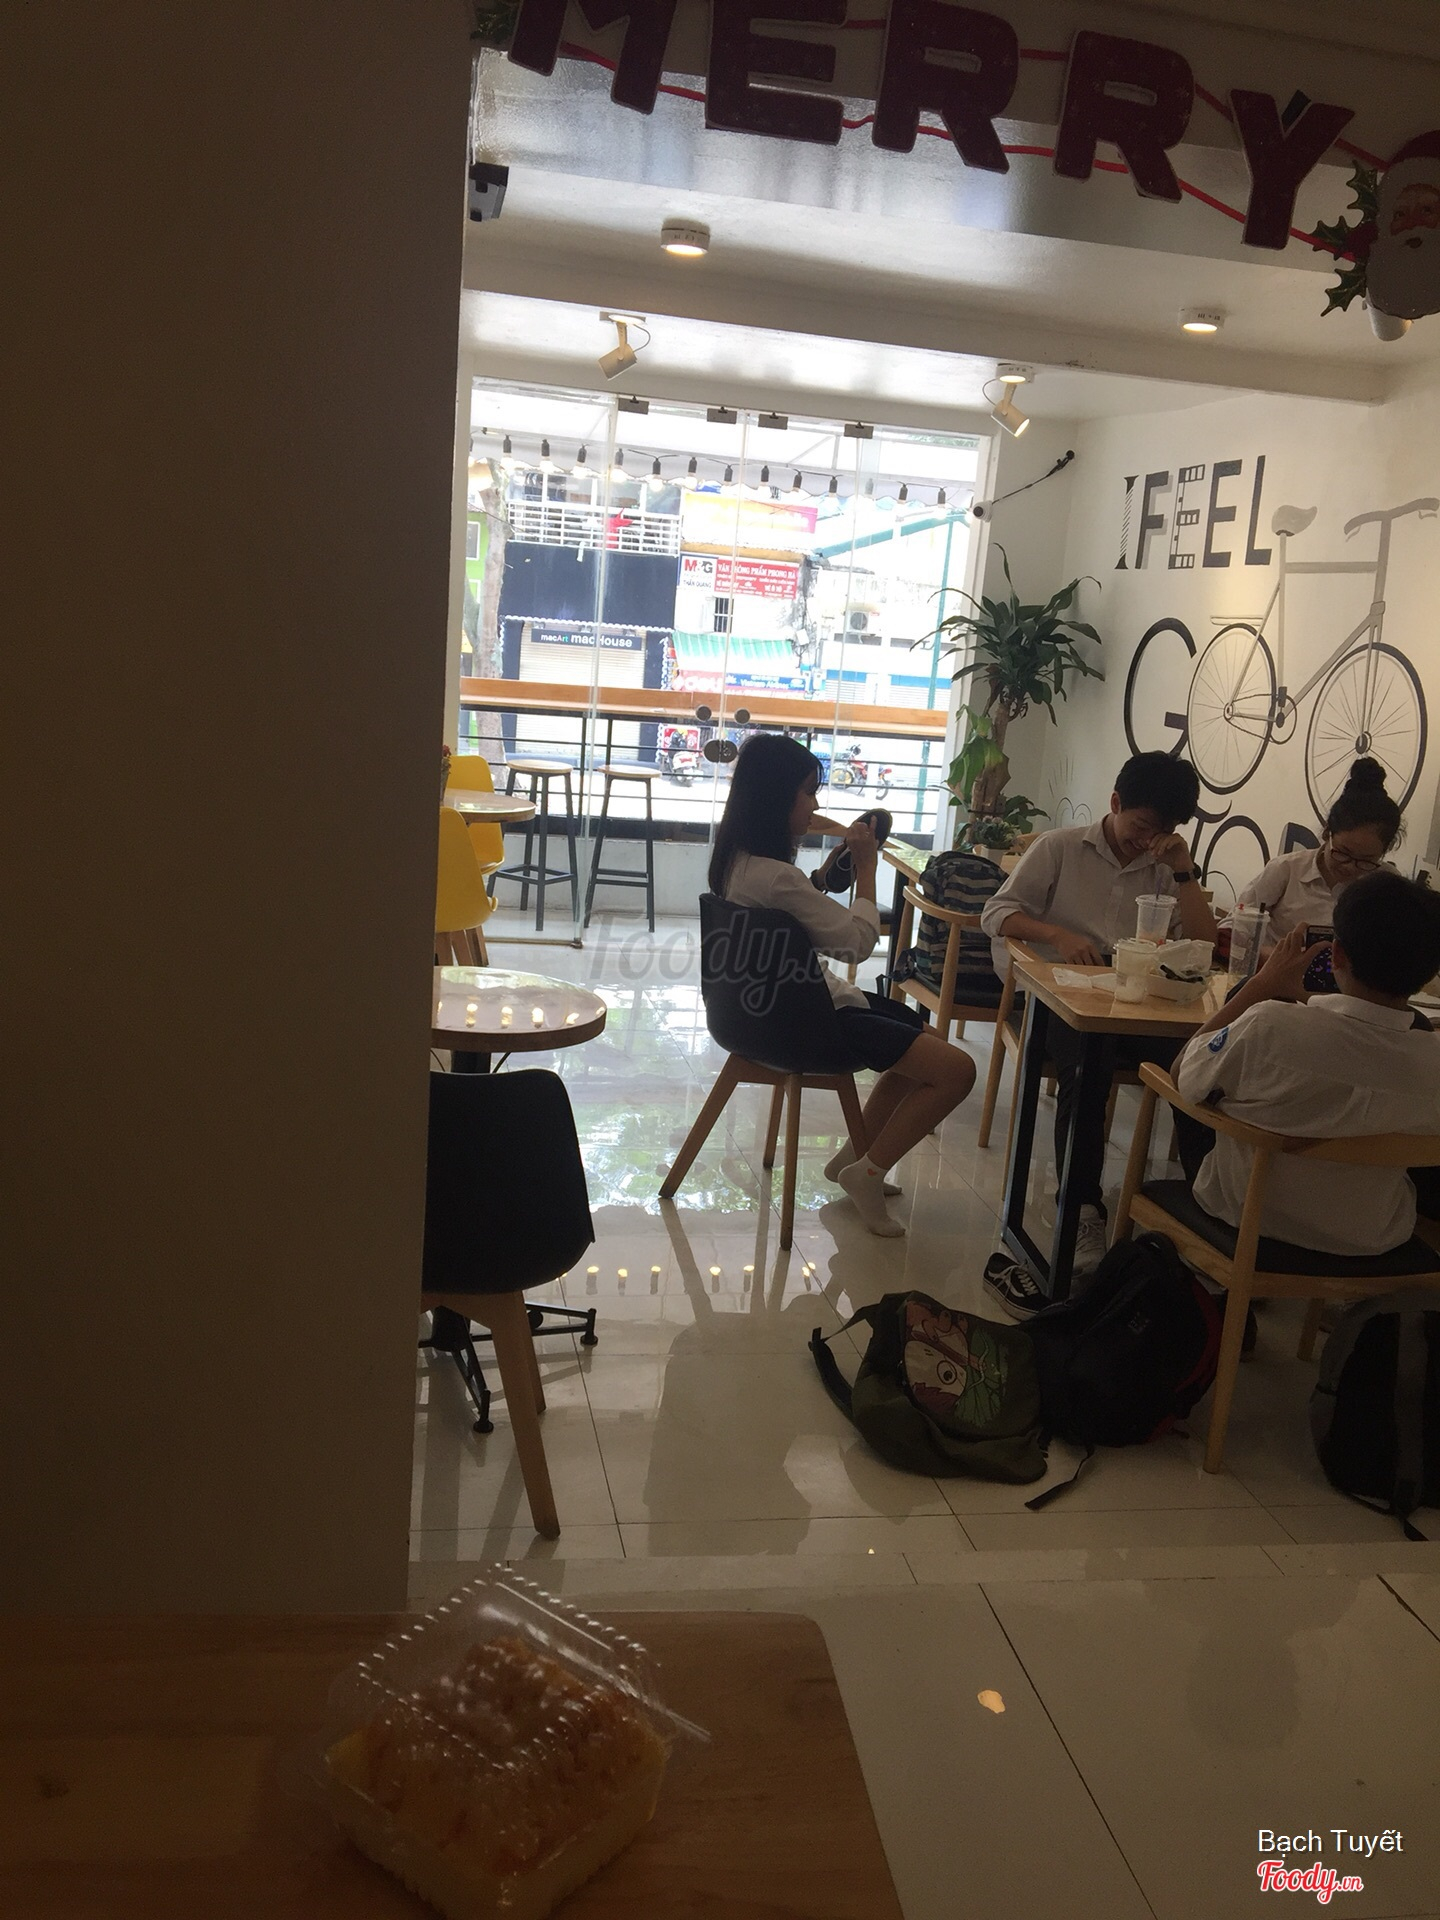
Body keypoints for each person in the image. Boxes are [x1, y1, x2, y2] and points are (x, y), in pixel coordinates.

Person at [709, 733, 976, 1237]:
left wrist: (821, 879)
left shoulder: (734, 863)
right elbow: (856, 945)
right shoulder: (778, 877)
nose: (815, 805)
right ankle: (866, 1174)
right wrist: (868, 868)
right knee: (956, 1070)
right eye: (809, 792)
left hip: (755, 1014)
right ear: (777, 796)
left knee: (927, 1043)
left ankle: (855, 1158)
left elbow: (789, 910)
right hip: (812, 1022)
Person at [979, 752, 1219, 1304]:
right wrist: (1057, 935)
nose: (1149, 841)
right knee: (1087, 1068)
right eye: (1142, 826)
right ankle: (1083, 1210)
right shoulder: (1060, 848)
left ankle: (1209, 1215)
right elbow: (996, 913)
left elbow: (1204, 948)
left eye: (1165, 831)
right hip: (1056, 998)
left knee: (1203, 1067)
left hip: (1134, 1003)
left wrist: (1184, 870)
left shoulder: (1166, 866)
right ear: (1114, 803)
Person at [1174, 870, 1440, 1255]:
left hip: (1246, 1219)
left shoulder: (1269, 1024)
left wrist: (1260, 986)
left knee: (1209, 1087)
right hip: (1372, 1239)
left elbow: (1182, 1072)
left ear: (1336, 953)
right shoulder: (1432, 1059)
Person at [1235, 757, 1403, 941]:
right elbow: (1234, 926)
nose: (1350, 866)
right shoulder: (1287, 870)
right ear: (1327, 833)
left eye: (1366, 860)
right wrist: (1270, 954)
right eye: (1343, 853)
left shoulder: (1388, 884)